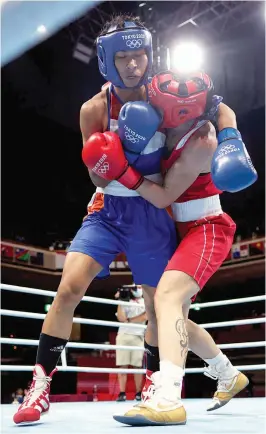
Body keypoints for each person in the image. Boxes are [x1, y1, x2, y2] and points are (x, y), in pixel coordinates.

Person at [13, 15, 177, 425]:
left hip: (153, 211)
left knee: (158, 308)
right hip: (108, 209)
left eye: (139, 55)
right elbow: (97, 174)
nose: (134, 64)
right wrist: (121, 151)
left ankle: (153, 385)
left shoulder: (165, 100)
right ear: (108, 60)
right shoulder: (94, 110)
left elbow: (179, 154)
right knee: (68, 288)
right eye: (124, 57)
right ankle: (39, 385)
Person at [83, 70, 257, 425]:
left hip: (205, 227)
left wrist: (123, 172)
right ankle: (226, 373)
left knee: (166, 300)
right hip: (173, 228)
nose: (152, 108)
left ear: (183, 110)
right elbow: (219, 107)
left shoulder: (202, 140)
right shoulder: (158, 116)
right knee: (168, 313)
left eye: (160, 106)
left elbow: (162, 194)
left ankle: (168, 398)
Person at [115, 285, 146, 402]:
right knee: (122, 365)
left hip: (138, 336)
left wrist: (129, 320)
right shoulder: (125, 301)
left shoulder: (145, 301)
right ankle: (122, 393)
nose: (136, 290)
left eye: (138, 287)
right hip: (123, 335)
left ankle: (138, 393)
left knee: (137, 366)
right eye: (134, 288)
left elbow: (146, 316)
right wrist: (120, 300)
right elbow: (121, 318)